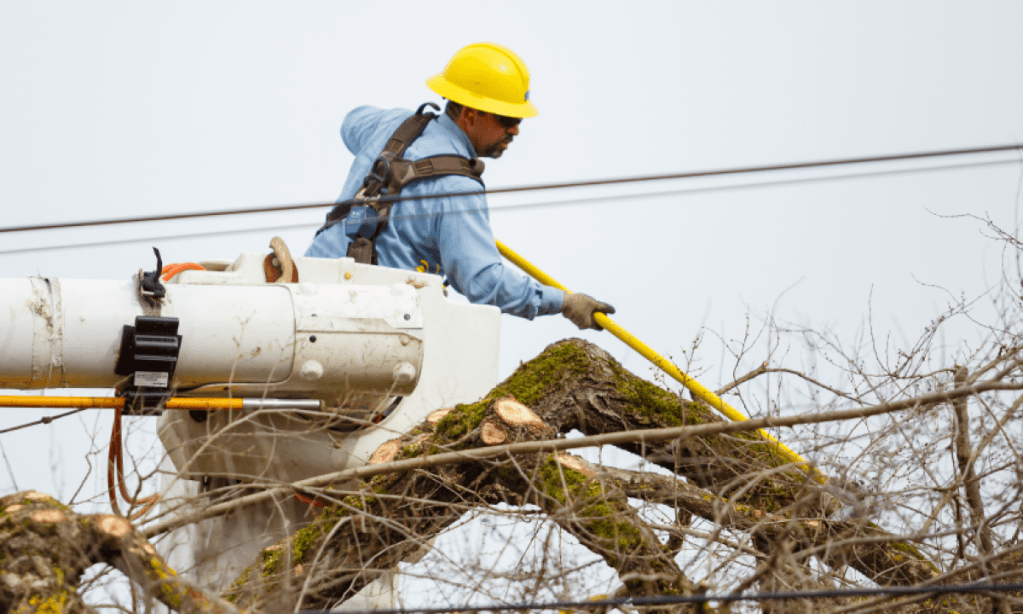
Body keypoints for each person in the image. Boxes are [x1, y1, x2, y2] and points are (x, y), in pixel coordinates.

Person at [306, 42, 614, 330]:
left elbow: (351, 123)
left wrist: (386, 155)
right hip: (363, 318)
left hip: (307, 285)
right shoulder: (457, 188)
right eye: (506, 118)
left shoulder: (395, 123)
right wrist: (563, 302)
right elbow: (484, 282)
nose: (516, 130)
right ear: (469, 113)